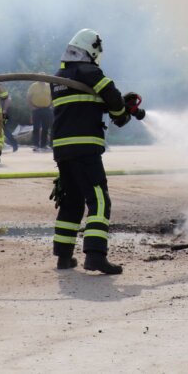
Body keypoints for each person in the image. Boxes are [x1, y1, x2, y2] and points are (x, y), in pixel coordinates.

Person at [49, 28, 136, 274]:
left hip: (63, 150)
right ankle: (95, 256)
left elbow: (86, 104)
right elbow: (110, 92)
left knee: (72, 200)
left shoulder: (59, 77)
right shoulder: (90, 72)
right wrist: (120, 113)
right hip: (84, 147)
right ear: (92, 51)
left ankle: (64, 257)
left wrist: (114, 107)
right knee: (99, 199)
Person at [27, 80, 53, 152]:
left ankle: (43, 145)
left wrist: (51, 105)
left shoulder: (49, 86)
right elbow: (28, 97)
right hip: (36, 109)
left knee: (46, 128)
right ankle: (36, 145)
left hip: (47, 109)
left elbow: (52, 96)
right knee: (36, 127)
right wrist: (31, 107)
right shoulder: (34, 86)